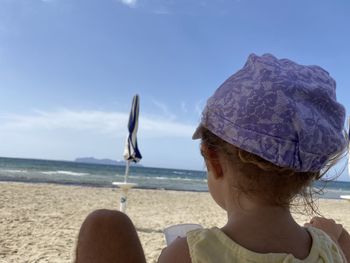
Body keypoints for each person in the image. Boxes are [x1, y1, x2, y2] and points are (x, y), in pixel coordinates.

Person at [75, 54, 350, 263]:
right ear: (309, 174)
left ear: (213, 160)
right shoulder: (330, 252)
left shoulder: (189, 252)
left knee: (105, 224)